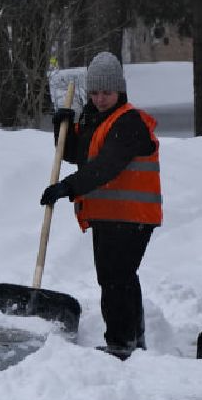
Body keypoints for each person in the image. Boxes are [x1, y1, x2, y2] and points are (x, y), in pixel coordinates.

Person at [39, 52, 161, 359]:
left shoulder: (129, 121)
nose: (100, 98)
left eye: (106, 92)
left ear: (119, 90)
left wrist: (68, 186)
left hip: (132, 216)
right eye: (94, 92)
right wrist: (62, 127)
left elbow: (106, 166)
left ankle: (121, 342)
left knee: (115, 277)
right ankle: (134, 337)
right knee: (120, 275)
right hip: (111, 214)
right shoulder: (96, 119)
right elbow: (77, 155)